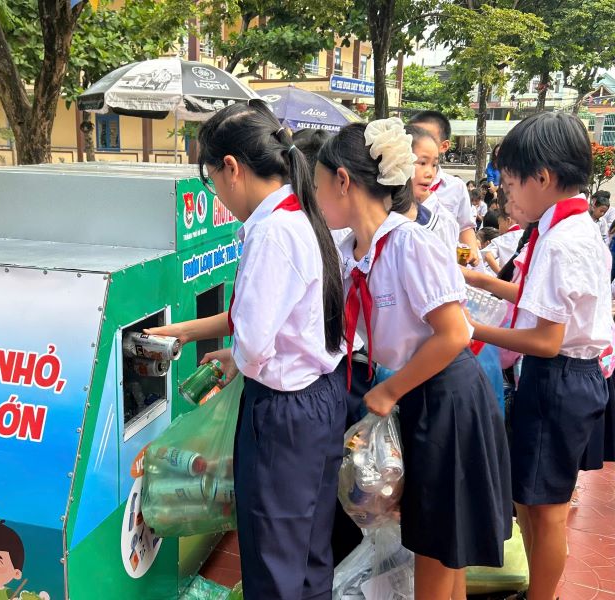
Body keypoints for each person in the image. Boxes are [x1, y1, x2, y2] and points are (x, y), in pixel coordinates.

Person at [148, 100, 348, 600]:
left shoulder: (271, 232)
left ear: (231, 168)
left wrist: (239, 358)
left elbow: (255, 344)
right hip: (319, 401)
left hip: (283, 415)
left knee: (272, 559)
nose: (215, 192)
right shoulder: (299, 215)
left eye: (211, 180)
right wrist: (188, 333)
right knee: (307, 553)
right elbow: (264, 321)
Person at [315, 118, 511, 600]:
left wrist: (389, 388)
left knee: (437, 539)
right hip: (416, 392)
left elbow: (453, 334)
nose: (315, 199)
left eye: (318, 186)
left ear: (344, 181)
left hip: (446, 395)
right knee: (432, 534)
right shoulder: (352, 249)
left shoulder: (409, 243)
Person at [465, 112, 611, 600]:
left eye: (509, 184)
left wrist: (469, 328)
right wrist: (484, 281)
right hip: (562, 376)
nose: (506, 196)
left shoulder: (562, 241)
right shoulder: (567, 226)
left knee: (545, 509)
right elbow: (541, 302)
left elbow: (548, 338)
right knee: (529, 499)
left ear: (543, 178)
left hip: (559, 377)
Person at [290, 124, 367, 566]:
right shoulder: (328, 237)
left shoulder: (338, 240)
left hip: (351, 378)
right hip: (338, 376)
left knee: (343, 494)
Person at [409, 111, 481, 265]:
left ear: (444, 146)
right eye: (413, 136)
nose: (419, 141)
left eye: (427, 136)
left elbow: (465, 226)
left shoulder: (455, 187)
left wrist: (472, 250)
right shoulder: (391, 187)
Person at [404, 124, 460, 252]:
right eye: (422, 163)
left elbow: (446, 267)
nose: (430, 173)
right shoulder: (378, 208)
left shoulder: (442, 222)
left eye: (434, 164)